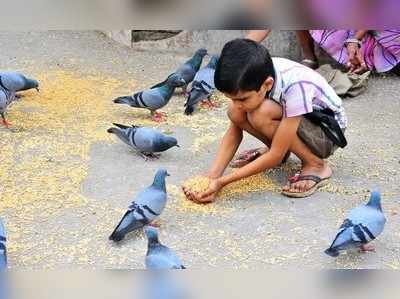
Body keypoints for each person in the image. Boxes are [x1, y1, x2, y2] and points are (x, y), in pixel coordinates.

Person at [182, 38, 347, 203]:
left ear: (267, 84)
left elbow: (275, 155)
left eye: (243, 99)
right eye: (232, 98)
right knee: (235, 112)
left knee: (261, 113)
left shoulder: (295, 86)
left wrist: (222, 183)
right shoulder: (255, 73)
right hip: (299, 122)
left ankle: (316, 165)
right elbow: (234, 133)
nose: (238, 105)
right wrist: (212, 175)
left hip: (327, 134)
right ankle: (279, 148)